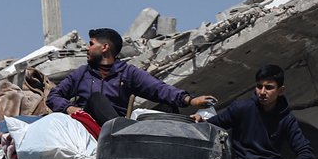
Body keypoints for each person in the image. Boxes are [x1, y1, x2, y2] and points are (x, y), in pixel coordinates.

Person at [47, 28, 214, 125]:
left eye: (91, 44)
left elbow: (158, 89)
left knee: (167, 109)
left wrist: (189, 100)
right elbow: (53, 96)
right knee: (96, 98)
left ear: (104, 47)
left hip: (117, 124)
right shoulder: (81, 73)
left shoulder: (128, 73)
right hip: (88, 127)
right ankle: (121, 135)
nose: (86, 48)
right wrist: (69, 108)